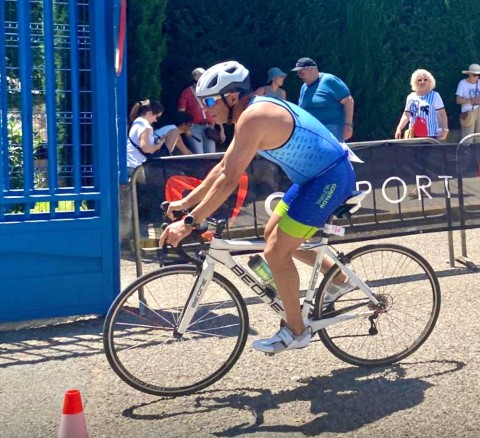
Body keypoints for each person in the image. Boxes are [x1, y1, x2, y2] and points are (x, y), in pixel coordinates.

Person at [159, 61, 360, 354]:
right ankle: (339, 279)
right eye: (203, 103)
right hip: (313, 178)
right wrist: (187, 202)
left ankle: (297, 332)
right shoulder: (250, 114)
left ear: (232, 97)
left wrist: (189, 222)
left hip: (329, 178)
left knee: (276, 252)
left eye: (211, 101)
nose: (206, 109)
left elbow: (229, 180)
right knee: (271, 235)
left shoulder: (254, 117)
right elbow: (223, 167)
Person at [292, 57, 354, 142]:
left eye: (301, 73)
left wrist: (348, 125)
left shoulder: (329, 80)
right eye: (298, 73)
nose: (299, 76)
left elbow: (348, 101)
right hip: (311, 132)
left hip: (331, 130)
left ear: (311, 69)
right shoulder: (304, 87)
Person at [178, 67, 226, 154]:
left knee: (211, 154)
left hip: (209, 127)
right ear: (195, 78)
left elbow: (215, 110)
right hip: (194, 127)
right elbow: (182, 112)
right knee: (198, 153)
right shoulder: (187, 92)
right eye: (201, 75)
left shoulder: (209, 92)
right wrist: (185, 128)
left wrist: (221, 129)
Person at [394, 69, 449, 141]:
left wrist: (445, 129)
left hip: (430, 135)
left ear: (430, 82)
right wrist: (399, 128)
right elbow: (406, 115)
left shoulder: (435, 95)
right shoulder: (410, 97)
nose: (422, 82)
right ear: (414, 82)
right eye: (419, 80)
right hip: (413, 135)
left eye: (425, 80)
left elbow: (442, 113)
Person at [126, 99, 166, 176]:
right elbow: (146, 148)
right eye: (157, 117)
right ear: (149, 113)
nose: (156, 121)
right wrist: (158, 146)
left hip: (129, 165)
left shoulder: (136, 122)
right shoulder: (145, 126)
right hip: (136, 168)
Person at [455, 63, 480, 140]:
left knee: (478, 136)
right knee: (467, 137)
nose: (477, 77)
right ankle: (466, 148)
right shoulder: (462, 83)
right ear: (469, 74)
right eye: (475, 75)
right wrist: (471, 100)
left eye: (478, 75)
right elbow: (458, 100)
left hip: (479, 110)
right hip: (468, 111)